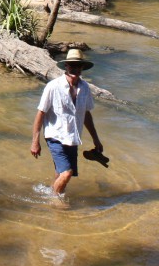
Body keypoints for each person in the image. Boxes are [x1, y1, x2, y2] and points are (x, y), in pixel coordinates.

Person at [30, 48, 104, 200]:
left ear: (82, 68)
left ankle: (50, 193)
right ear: (66, 67)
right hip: (55, 136)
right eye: (71, 65)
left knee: (60, 173)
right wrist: (35, 141)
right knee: (67, 173)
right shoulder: (53, 86)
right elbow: (40, 113)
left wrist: (96, 139)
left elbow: (86, 114)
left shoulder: (85, 88)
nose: (75, 68)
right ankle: (55, 203)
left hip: (72, 138)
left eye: (78, 66)